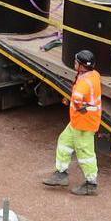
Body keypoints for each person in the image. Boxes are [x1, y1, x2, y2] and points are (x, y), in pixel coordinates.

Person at [44, 50, 101, 196]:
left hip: (83, 124)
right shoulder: (92, 75)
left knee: (85, 153)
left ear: (82, 66)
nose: (74, 63)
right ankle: (61, 174)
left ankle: (91, 184)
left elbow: (78, 98)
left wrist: (77, 106)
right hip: (78, 122)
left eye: (76, 62)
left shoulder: (84, 83)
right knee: (64, 142)